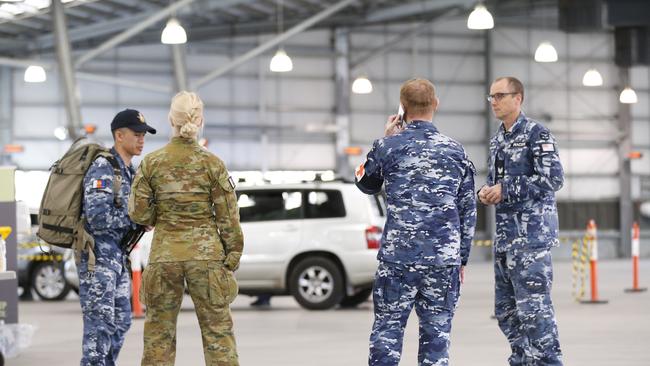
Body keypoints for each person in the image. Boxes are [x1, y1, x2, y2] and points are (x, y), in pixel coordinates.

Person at [355, 78, 476, 366]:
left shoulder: (387, 146)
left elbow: (364, 183)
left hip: (399, 259)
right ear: (436, 104)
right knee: (437, 337)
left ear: (403, 108)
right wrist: (462, 259)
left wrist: (384, 139)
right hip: (442, 261)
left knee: (387, 333)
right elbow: (468, 209)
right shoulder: (455, 151)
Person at [129, 91, 243, 366]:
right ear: (199, 120)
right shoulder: (212, 163)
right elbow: (228, 216)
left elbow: (139, 212)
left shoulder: (152, 163)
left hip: (164, 255)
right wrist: (232, 255)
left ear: (171, 119)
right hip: (206, 257)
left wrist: (161, 214)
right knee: (218, 333)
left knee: (158, 335)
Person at [478, 76, 564, 365]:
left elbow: (553, 178)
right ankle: (523, 361)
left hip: (530, 240)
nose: (494, 102)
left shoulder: (536, 134)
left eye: (500, 95)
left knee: (535, 313)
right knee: (506, 312)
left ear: (518, 98)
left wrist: (507, 188)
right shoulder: (497, 139)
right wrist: (487, 192)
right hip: (505, 239)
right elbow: (497, 182)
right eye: (491, 97)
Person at [79, 108, 156, 366]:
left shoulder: (129, 171)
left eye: (144, 134)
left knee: (121, 320)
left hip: (117, 258)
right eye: (137, 134)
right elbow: (97, 217)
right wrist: (136, 220)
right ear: (119, 135)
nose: (142, 139)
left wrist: (142, 223)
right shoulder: (103, 167)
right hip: (97, 258)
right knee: (99, 325)